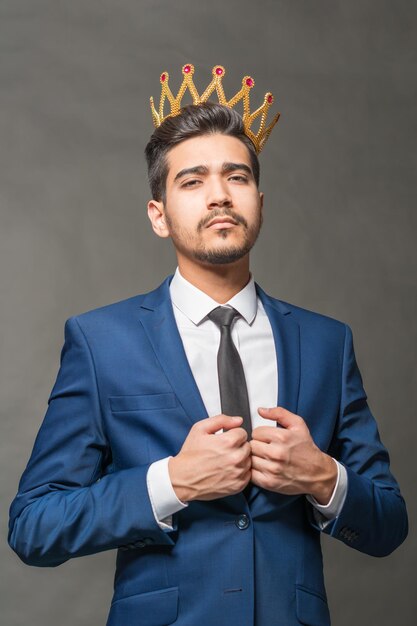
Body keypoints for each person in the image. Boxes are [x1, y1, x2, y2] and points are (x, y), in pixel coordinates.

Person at [8, 64, 408, 626]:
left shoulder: (327, 343)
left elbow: (389, 524)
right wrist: (170, 483)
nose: (219, 195)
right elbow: (34, 527)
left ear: (260, 203)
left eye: (237, 177)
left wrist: (321, 476)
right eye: (192, 181)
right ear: (159, 215)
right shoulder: (101, 343)